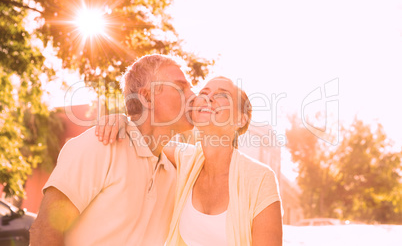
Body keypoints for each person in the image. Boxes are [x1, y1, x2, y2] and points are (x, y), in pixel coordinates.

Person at [29, 54, 195, 246]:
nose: (193, 96)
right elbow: (45, 230)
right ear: (147, 97)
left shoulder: (174, 172)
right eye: (181, 88)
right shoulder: (101, 145)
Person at [98, 76, 283, 245]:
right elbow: (144, 136)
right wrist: (122, 120)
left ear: (240, 120)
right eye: (204, 93)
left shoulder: (260, 179)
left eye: (222, 95)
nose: (208, 98)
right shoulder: (186, 160)